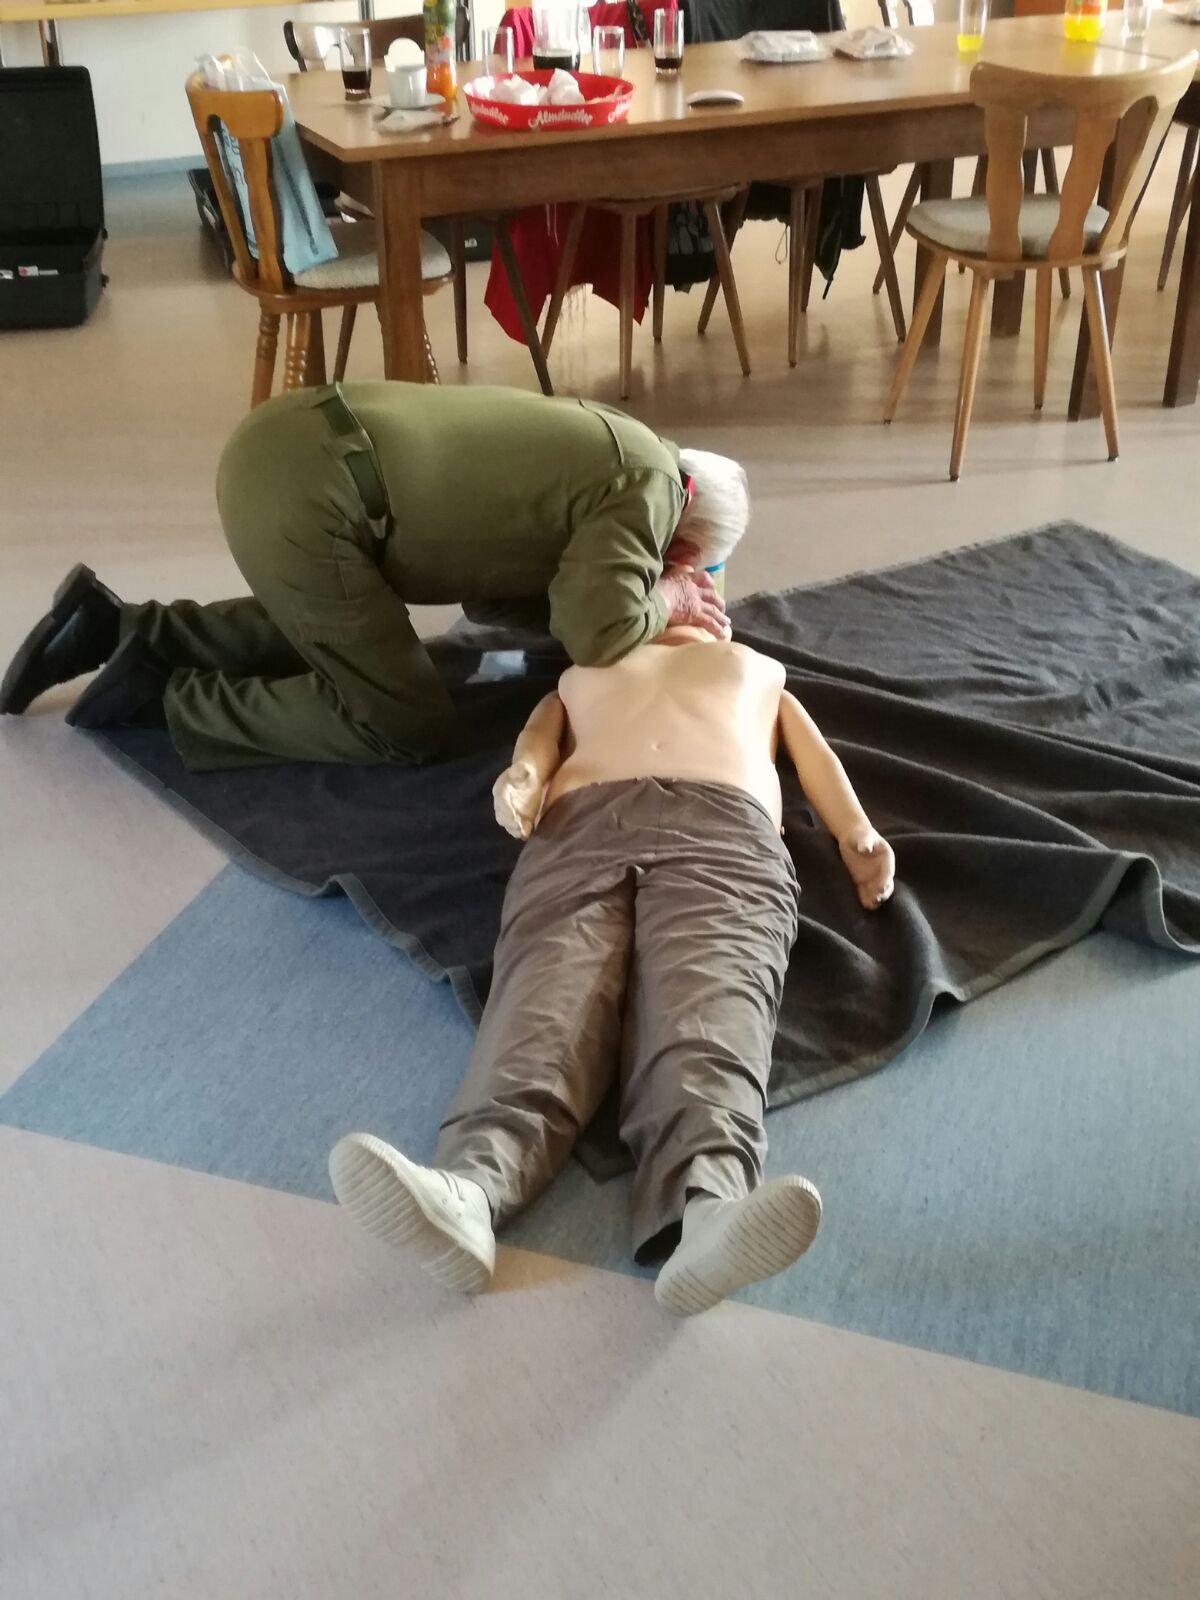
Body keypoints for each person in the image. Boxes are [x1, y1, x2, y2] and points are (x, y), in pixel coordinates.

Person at [328, 623, 896, 1316]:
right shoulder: (579, 673)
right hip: (577, 827)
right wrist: (524, 778)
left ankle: (708, 1209)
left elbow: (817, 759)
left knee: (710, 999)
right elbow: (537, 743)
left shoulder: (757, 669)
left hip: (724, 830)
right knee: (545, 994)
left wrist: (856, 831)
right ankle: (469, 1191)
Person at [0, 383, 745, 771]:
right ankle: (167, 699)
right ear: (682, 546)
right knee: (405, 723)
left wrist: (635, 600)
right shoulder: (650, 491)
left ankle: (114, 628)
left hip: (287, 443)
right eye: (687, 566)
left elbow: (492, 596)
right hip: (309, 503)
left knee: (349, 626)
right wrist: (666, 600)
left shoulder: (623, 444)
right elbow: (595, 632)